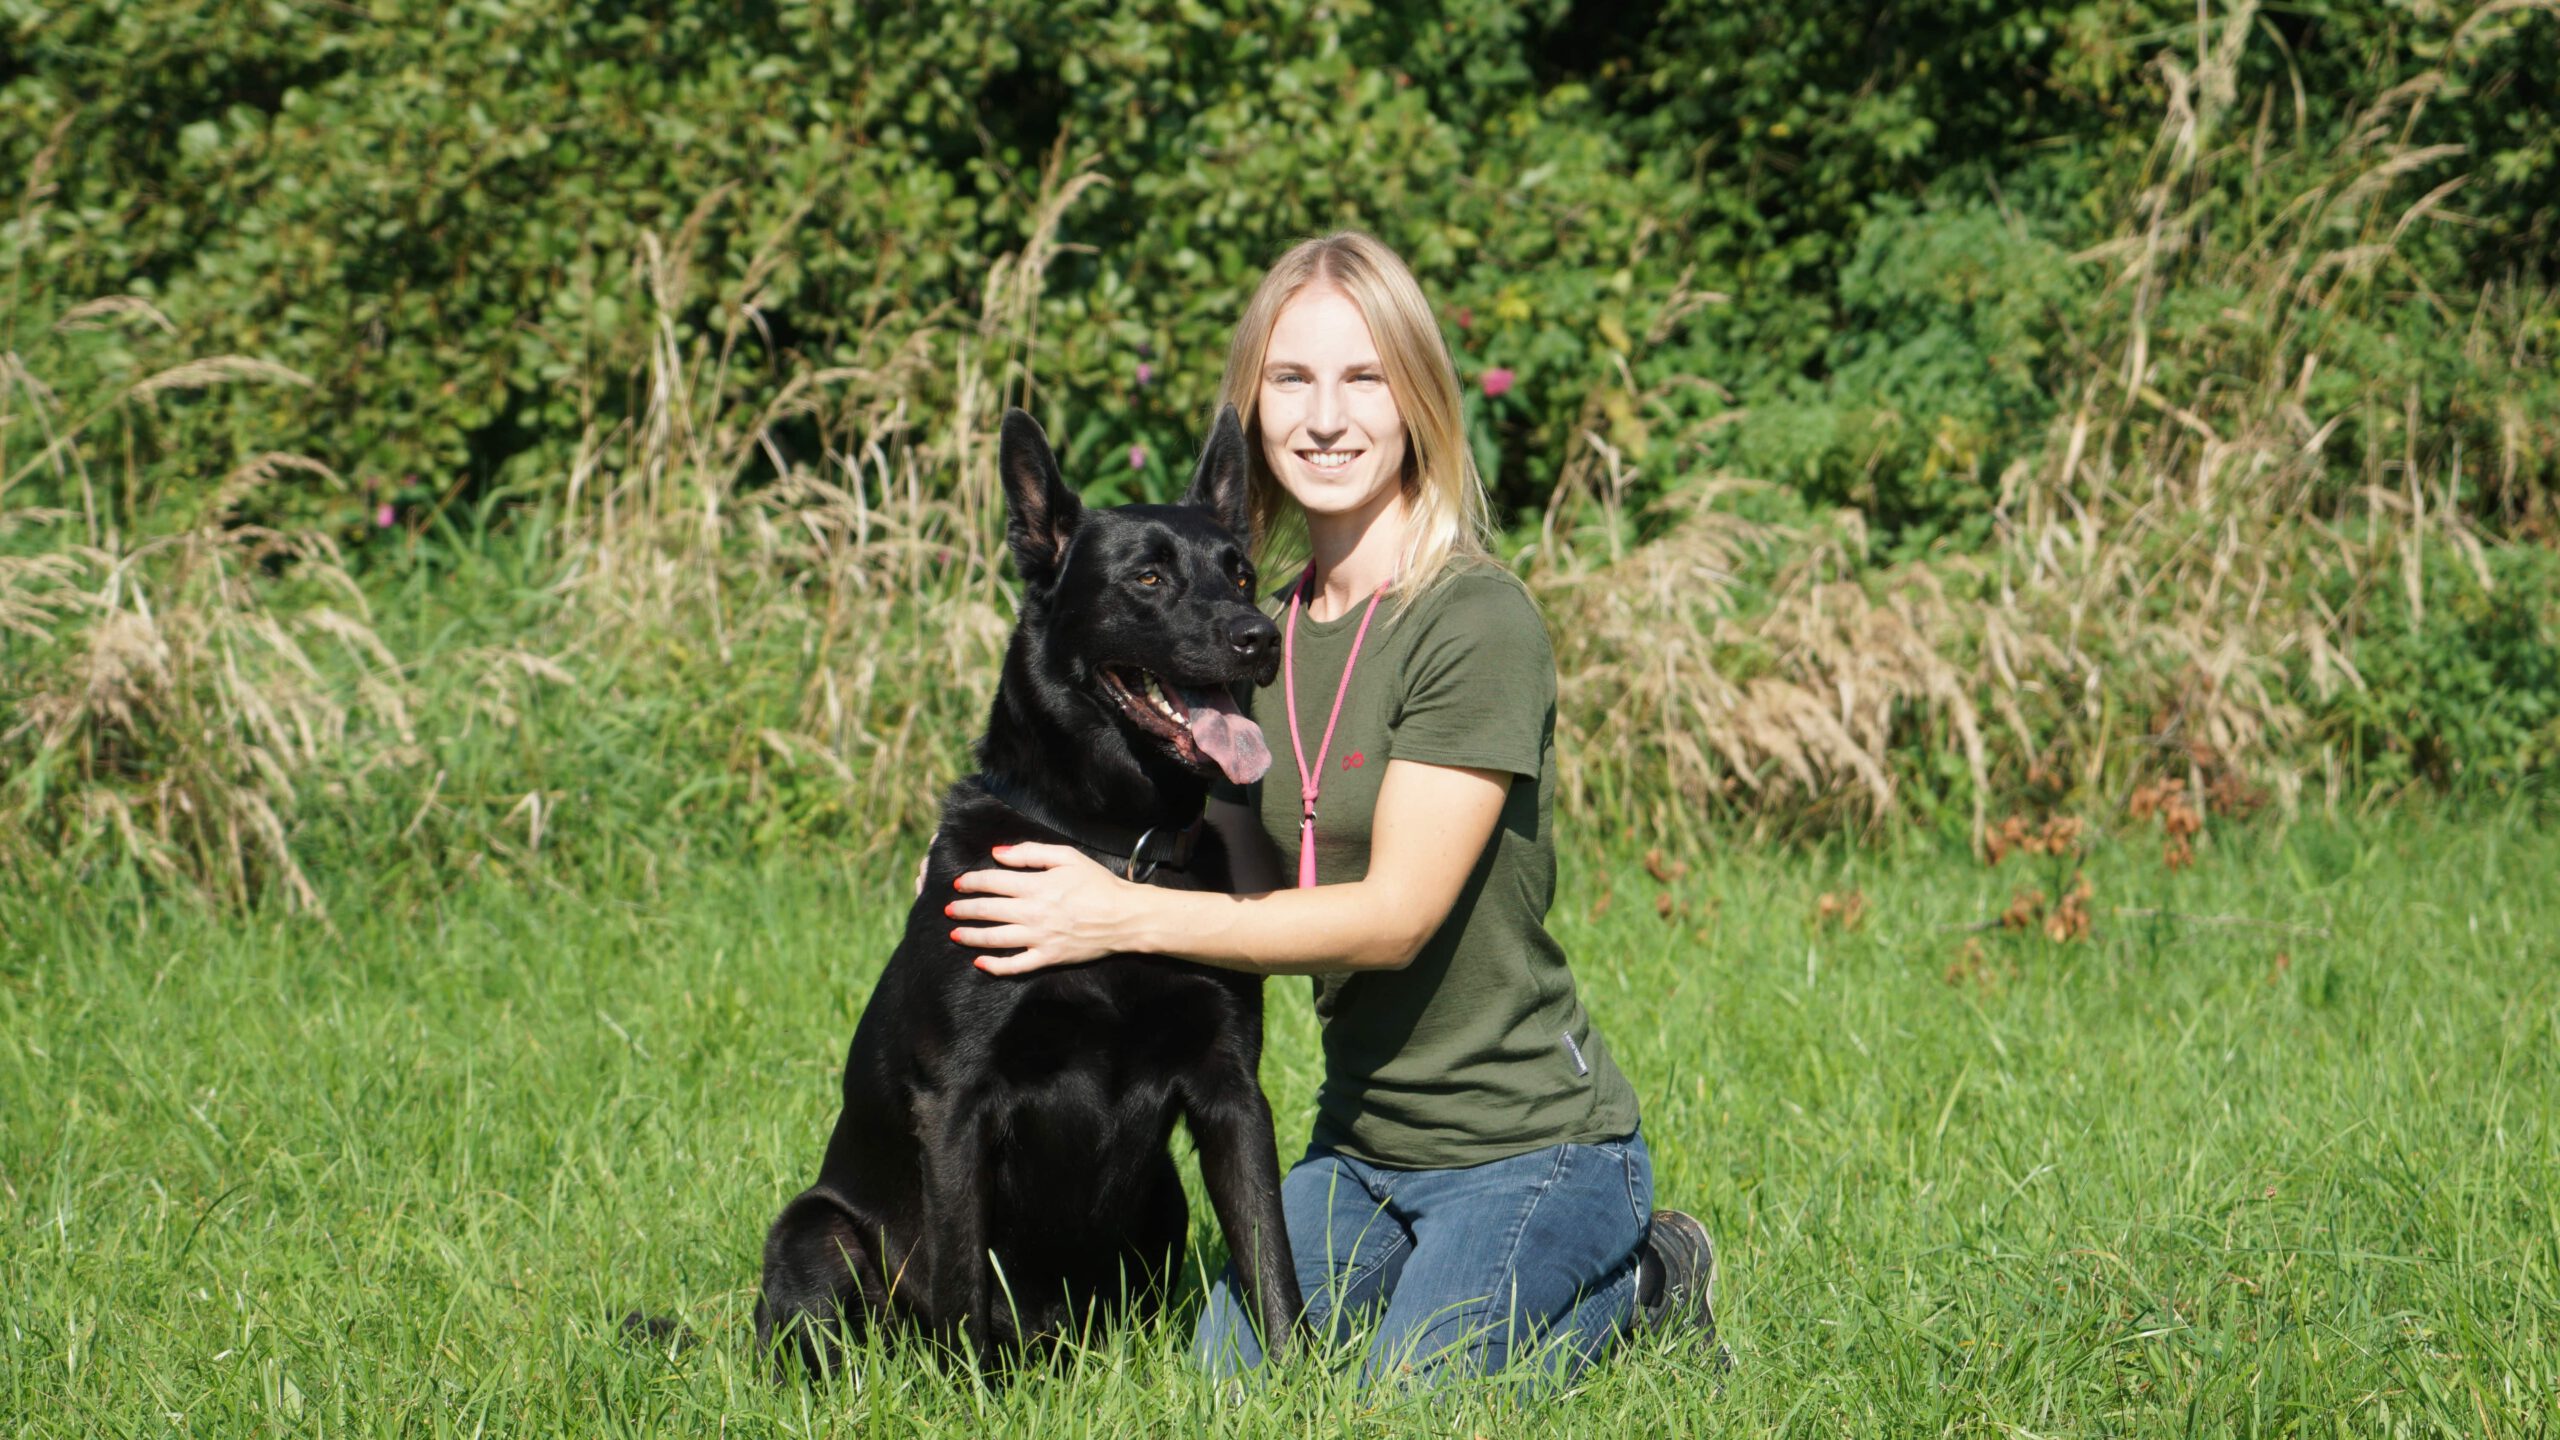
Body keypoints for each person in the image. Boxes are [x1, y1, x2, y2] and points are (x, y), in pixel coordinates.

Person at [945, 231, 1725, 1389]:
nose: (1324, 416)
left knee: (1412, 1396)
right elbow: (1242, 875)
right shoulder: (1254, 633)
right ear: (1253, 409)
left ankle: (1646, 1279)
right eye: (1290, 380)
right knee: (1219, 1385)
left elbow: (1388, 920)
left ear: (1416, 397)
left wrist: (1112, 915)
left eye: (1363, 378)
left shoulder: (1474, 623)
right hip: (1357, 1152)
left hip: (1530, 1148)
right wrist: (981, 849)